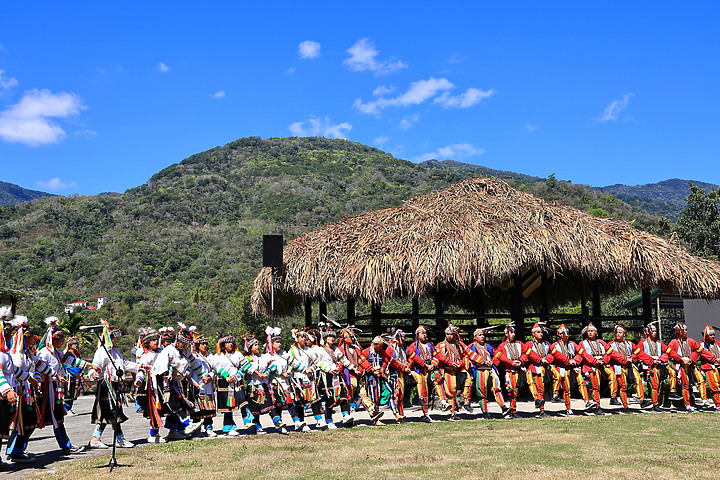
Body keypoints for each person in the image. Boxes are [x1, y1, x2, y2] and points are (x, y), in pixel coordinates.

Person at [36, 317, 100, 454]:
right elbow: (38, 368)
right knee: (32, 421)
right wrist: (53, 376)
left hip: (53, 388)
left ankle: (66, 445)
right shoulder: (44, 353)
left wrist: (91, 365)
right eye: (60, 338)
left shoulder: (56, 354)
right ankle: (16, 450)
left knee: (56, 418)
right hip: (46, 389)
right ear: (53, 339)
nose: (63, 341)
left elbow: (73, 361)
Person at [151, 324, 211, 440]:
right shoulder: (168, 350)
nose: (185, 345)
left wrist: (203, 375)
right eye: (183, 343)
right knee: (174, 405)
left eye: (187, 343)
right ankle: (186, 425)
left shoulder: (186, 351)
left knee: (182, 405)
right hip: (165, 380)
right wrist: (166, 378)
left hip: (179, 381)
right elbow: (163, 366)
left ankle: (174, 432)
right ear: (178, 341)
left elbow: (194, 364)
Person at [6, 316, 53, 463]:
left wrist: (55, 375)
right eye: (32, 336)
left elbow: (39, 365)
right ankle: (14, 451)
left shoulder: (28, 355)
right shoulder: (17, 355)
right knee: (23, 422)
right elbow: (15, 372)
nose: (34, 338)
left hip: (29, 392)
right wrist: (29, 379)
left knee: (30, 422)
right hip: (20, 392)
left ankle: (17, 450)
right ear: (24, 337)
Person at [88, 322, 139, 449]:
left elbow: (124, 364)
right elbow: (95, 366)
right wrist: (93, 373)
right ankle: (119, 439)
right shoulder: (102, 351)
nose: (118, 339)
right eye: (115, 336)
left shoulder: (115, 351)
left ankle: (95, 438)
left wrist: (140, 367)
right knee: (113, 412)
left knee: (110, 413)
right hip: (106, 385)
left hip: (115, 385)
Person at [1, 310, 31, 468]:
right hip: (3, 395)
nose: (9, 336)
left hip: (6, 396)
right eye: (6, 333)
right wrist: (7, 390)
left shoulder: (5, 354)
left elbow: (13, 371)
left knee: (2, 428)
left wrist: (28, 377)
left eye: (10, 333)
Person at [666, 322, 713, 412]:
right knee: (685, 385)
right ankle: (687, 405)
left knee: (701, 380)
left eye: (686, 329)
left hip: (692, 365)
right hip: (681, 366)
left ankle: (704, 400)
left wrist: (691, 359)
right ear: (678, 331)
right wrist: (680, 359)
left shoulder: (691, 341)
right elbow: (669, 353)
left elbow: (700, 350)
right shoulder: (673, 342)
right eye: (684, 329)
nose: (685, 331)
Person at [213, 334, 253, 435]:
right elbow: (216, 367)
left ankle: (247, 420)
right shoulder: (218, 356)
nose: (230, 344)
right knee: (228, 406)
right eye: (228, 342)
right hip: (224, 381)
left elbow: (247, 365)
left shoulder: (238, 354)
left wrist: (237, 375)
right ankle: (229, 428)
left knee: (242, 399)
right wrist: (226, 376)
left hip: (236, 380)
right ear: (223, 344)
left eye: (232, 342)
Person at [246, 337, 286, 435]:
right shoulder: (247, 358)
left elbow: (274, 364)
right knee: (255, 408)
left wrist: (267, 372)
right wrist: (257, 373)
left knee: (270, 404)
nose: (257, 346)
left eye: (258, 344)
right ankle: (258, 427)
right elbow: (246, 367)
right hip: (253, 386)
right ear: (250, 348)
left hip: (264, 385)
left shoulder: (264, 356)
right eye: (254, 345)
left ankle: (277, 422)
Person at [407, 325, 447, 422]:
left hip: (431, 368)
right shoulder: (413, 346)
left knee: (438, 378)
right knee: (423, 388)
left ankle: (443, 401)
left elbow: (437, 355)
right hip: (420, 370)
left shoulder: (430, 345)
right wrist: (424, 365)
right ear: (417, 335)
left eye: (425, 333)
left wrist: (433, 364)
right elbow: (414, 357)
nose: (424, 335)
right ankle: (425, 413)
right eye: (422, 333)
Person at [467, 327, 508, 419]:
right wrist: (483, 361)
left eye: (483, 335)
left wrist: (493, 362)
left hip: (491, 369)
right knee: (481, 391)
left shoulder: (489, 346)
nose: (482, 337)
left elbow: (497, 354)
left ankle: (504, 408)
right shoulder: (472, 347)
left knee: (497, 388)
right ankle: (485, 412)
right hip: (480, 370)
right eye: (480, 335)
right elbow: (471, 356)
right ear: (475, 337)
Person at [548, 324, 589, 416]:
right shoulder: (554, 345)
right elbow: (556, 355)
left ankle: (587, 400)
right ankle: (568, 408)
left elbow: (581, 353)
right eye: (564, 333)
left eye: (568, 333)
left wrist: (576, 360)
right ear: (559, 334)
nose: (567, 335)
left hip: (573, 367)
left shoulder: (572, 344)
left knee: (582, 382)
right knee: (567, 389)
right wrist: (567, 361)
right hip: (562, 368)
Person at [133, 327, 165, 443]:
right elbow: (141, 370)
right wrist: (138, 380)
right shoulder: (145, 356)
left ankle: (175, 430)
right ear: (147, 343)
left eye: (157, 340)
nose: (156, 342)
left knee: (166, 408)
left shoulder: (163, 352)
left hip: (163, 384)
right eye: (152, 340)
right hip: (152, 385)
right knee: (154, 409)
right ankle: (153, 435)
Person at [435, 324, 472, 419]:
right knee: (451, 391)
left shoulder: (459, 345)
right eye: (447, 334)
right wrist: (449, 362)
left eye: (451, 334)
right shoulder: (441, 345)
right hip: (447, 370)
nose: (449, 336)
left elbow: (465, 355)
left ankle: (466, 402)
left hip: (458, 369)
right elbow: (438, 355)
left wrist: (461, 363)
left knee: (468, 380)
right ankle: (453, 413)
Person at [604, 325, 644, 414]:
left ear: (624, 334)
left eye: (620, 332)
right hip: (618, 366)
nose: (618, 334)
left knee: (638, 380)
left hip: (630, 365)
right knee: (623, 386)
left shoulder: (629, 343)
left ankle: (642, 400)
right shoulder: (611, 344)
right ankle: (625, 406)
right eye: (616, 332)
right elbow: (608, 355)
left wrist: (632, 358)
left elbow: (637, 352)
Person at [577, 323, 612, 415]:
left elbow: (609, 352)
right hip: (589, 367)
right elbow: (584, 354)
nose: (590, 333)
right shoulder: (582, 343)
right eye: (589, 331)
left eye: (592, 331)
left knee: (598, 387)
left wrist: (603, 360)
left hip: (601, 367)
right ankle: (595, 405)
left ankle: (610, 399)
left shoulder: (601, 342)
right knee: (591, 386)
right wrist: (594, 361)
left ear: (596, 333)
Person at [635, 322, 669, 412]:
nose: (655, 333)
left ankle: (658, 403)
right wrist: (650, 360)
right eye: (653, 331)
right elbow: (638, 353)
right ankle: (655, 404)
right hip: (649, 367)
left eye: (655, 331)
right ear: (648, 332)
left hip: (658, 365)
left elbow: (667, 351)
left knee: (658, 385)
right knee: (654, 386)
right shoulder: (643, 343)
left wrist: (662, 359)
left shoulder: (659, 343)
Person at [189, 332, 217, 437]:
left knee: (208, 407)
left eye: (206, 343)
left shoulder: (210, 356)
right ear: (197, 345)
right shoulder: (192, 356)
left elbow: (215, 368)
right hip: (196, 384)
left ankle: (209, 428)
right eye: (202, 344)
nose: (204, 346)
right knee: (197, 408)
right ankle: (196, 429)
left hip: (208, 385)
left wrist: (210, 376)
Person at [494, 324, 525, 418]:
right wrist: (510, 362)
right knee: (512, 390)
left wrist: (521, 360)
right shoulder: (502, 346)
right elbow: (498, 356)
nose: (513, 334)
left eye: (514, 332)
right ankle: (512, 410)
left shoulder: (519, 344)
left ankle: (514, 409)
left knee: (517, 390)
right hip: (510, 370)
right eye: (511, 332)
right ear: (506, 334)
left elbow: (526, 352)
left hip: (520, 369)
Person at [524, 323, 552, 418]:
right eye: (538, 332)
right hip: (534, 368)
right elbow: (528, 352)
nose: (541, 334)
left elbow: (553, 352)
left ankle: (543, 408)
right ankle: (541, 409)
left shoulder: (546, 344)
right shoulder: (529, 344)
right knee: (538, 388)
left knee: (542, 389)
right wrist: (540, 359)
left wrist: (547, 359)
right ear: (533, 334)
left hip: (545, 368)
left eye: (541, 332)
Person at [698, 325, 720, 412]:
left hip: (718, 366)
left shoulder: (718, 343)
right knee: (714, 386)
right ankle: (718, 405)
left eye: (714, 335)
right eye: (711, 335)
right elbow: (702, 354)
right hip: (709, 367)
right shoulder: (701, 345)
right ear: (706, 336)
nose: (713, 336)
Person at [62, 337, 85, 415]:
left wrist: (81, 373)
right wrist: (76, 374)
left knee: (74, 392)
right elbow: (67, 365)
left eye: (76, 344)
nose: (76, 345)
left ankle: (69, 408)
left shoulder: (77, 354)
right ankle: (66, 409)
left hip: (76, 377)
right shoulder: (68, 354)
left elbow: (81, 364)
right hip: (70, 376)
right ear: (70, 345)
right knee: (69, 392)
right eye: (74, 344)